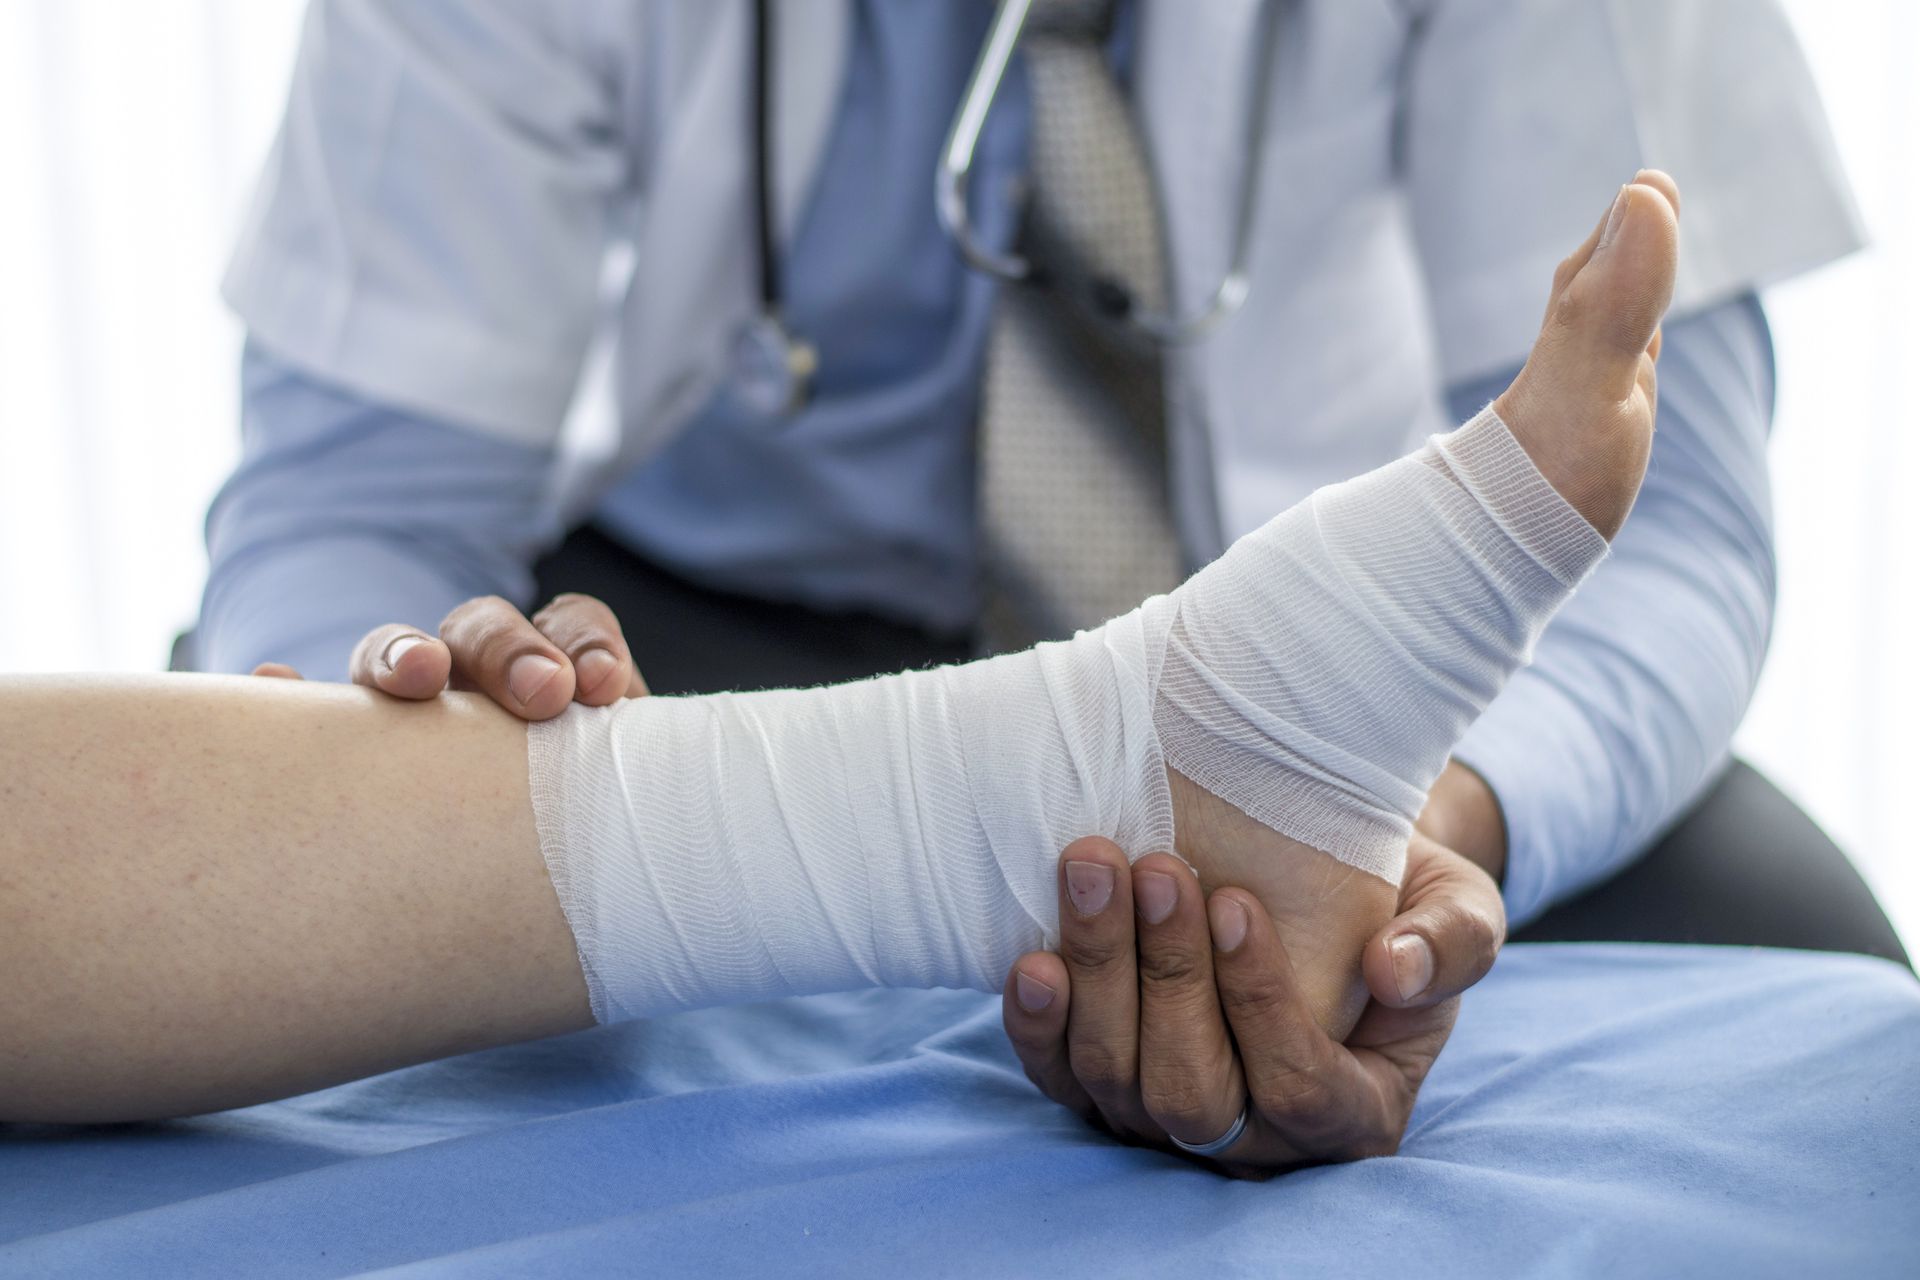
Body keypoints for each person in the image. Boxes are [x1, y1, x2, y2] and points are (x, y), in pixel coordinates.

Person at [186, 0, 1866, 1170]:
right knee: (250, 916)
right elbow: (360, 493)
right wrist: (387, 699)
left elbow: (1679, 532)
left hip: (1332, 650)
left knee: (1823, 985)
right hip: (691, 626)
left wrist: (1401, 819)